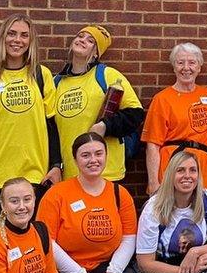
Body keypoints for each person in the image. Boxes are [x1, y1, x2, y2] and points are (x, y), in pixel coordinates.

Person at [37, 132, 139, 273]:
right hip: (67, 268)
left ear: (106, 156)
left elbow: (129, 238)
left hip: (104, 264)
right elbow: (46, 241)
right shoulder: (57, 194)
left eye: (98, 153)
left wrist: (114, 271)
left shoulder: (119, 193)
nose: (93, 160)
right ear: (75, 160)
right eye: (85, 155)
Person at [0, 14, 60, 220]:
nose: (17, 40)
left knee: (32, 241)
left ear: (30, 41)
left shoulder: (41, 75)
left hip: (36, 174)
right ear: (2, 38)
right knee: (2, 243)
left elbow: (51, 125)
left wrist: (56, 165)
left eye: (24, 35)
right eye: (12, 34)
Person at [51, 25, 144, 181]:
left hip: (105, 173)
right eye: (80, 36)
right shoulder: (57, 82)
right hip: (71, 174)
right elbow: (51, 128)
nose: (82, 40)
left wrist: (105, 126)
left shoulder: (107, 75)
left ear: (96, 53)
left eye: (90, 40)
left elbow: (135, 113)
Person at [143, 42, 207, 196]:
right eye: (180, 63)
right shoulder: (162, 99)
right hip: (173, 165)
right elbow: (152, 144)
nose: (186, 68)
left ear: (199, 67)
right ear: (174, 67)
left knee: (202, 215)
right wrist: (153, 182)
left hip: (202, 166)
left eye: (192, 63)